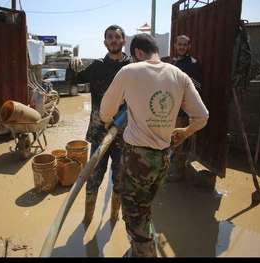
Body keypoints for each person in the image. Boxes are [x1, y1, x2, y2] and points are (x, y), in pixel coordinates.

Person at [99, 33, 209, 257]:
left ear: (138, 53)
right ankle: (140, 247)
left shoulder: (129, 71)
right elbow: (202, 117)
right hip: (163, 158)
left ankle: (145, 252)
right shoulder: (179, 74)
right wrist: (186, 132)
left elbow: (105, 112)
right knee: (145, 207)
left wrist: (113, 119)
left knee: (133, 214)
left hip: (136, 159)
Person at [68, 25, 131, 225]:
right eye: (110, 37)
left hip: (124, 135)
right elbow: (73, 82)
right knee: (93, 177)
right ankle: (87, 219)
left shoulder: (132, 68)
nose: (113, 40)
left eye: (117, 37)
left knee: (120, 180)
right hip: (98, 132)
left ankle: (114, 217)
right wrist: (72, 65)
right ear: (105, 42)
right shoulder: (96, 66)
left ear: (124, 41)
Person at [167, 35, 203, 181]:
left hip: (182, 112)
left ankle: (177, 173)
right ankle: (169, 169)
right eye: (179, 44)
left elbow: (198, 87)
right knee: (169, 140)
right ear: (175, 45)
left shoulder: (193, 64)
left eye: (184, 45)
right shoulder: (173, 62)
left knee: (179, 141)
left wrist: (183, 81)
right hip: (169, 110)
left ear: (189, 46)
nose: (181, 47)